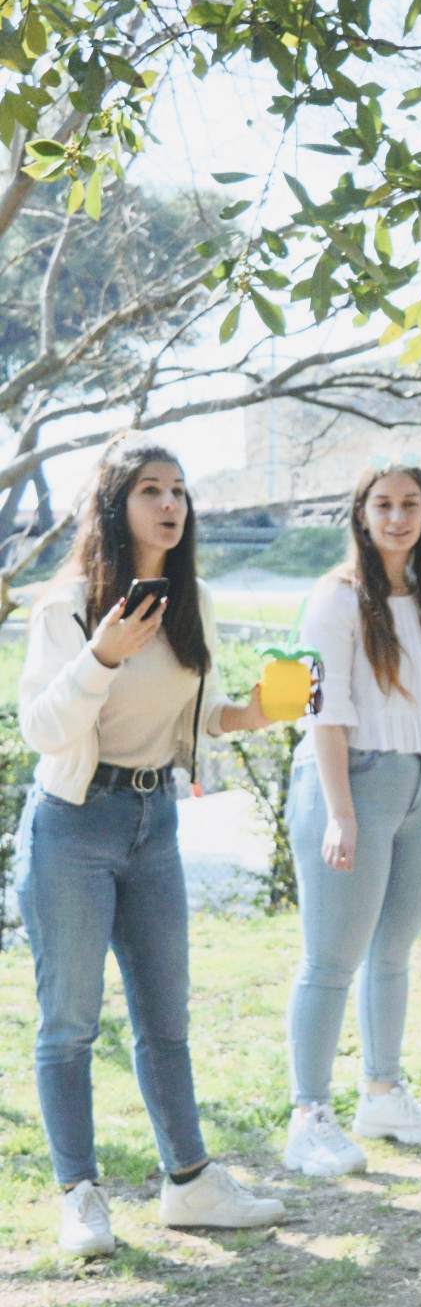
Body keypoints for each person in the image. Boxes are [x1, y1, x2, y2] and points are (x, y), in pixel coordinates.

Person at [16, 435, 287, 1257]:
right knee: (69, 1021)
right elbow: (43, 727)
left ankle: (190, 1181)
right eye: (151, 490)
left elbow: (188, 718)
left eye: (179, 490)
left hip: (153, 820)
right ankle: (82, 1195)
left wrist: (262, 710)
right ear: (114, 504)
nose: (171, 504)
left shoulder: (187, 595)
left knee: (165, 1018)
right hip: (72, 825)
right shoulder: (63, 607)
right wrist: (103, 652)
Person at [281, 460, 421, 1177]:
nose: (398, 516)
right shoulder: (336, 598)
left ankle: (382, 1090)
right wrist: (341, 813)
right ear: (361, 514)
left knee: (394, 951)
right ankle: (308, 1114)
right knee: (330, 959)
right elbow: (323, 708)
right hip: (351, 783)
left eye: (411, 503)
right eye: (383, 504)